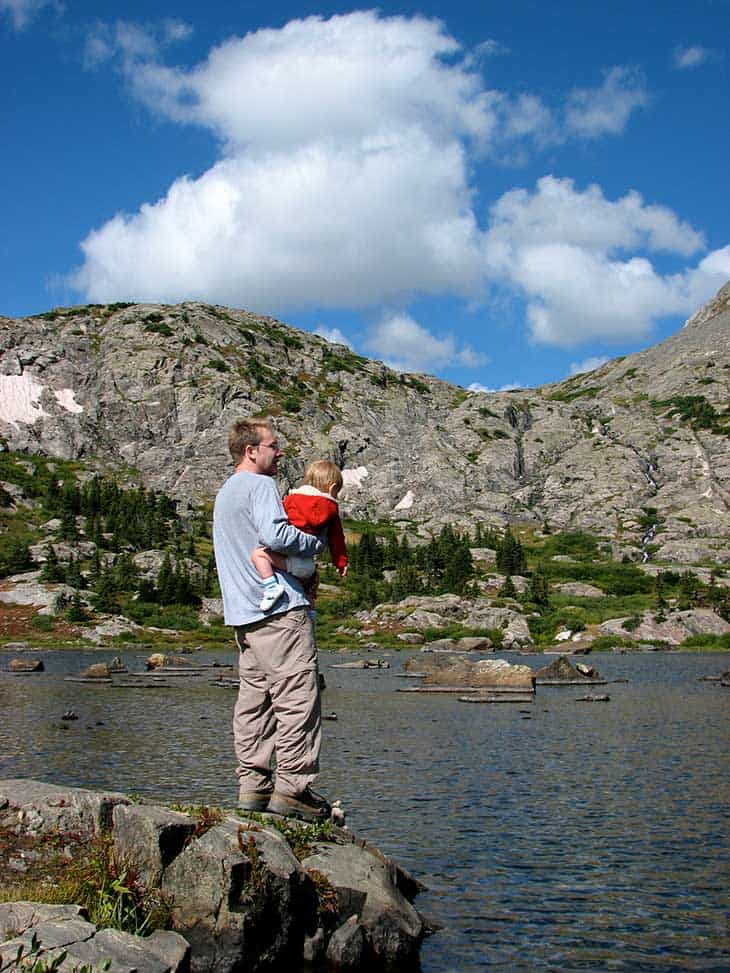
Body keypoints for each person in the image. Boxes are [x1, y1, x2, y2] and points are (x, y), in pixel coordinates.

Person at [213, 418, 331, 821]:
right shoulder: (261, 486)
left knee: (254, 704)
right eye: (273, 446)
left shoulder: (226, 492)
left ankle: (253, 790)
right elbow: (277, 535)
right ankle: (294, 790)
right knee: (297, 699)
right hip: (281, 613)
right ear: (252, 451)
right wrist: (316, 544)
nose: (279, 453)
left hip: (245, 618)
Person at [251, 459, 349, 612]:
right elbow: (337, 539)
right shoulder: (332, 510)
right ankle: (311, 612)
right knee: (307, 589)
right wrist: (341, 562)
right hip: (307, 565)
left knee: (259, 555)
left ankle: (270, 586)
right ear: (332, 488)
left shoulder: (291, 500)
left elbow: (276, 523)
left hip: (290, 560)